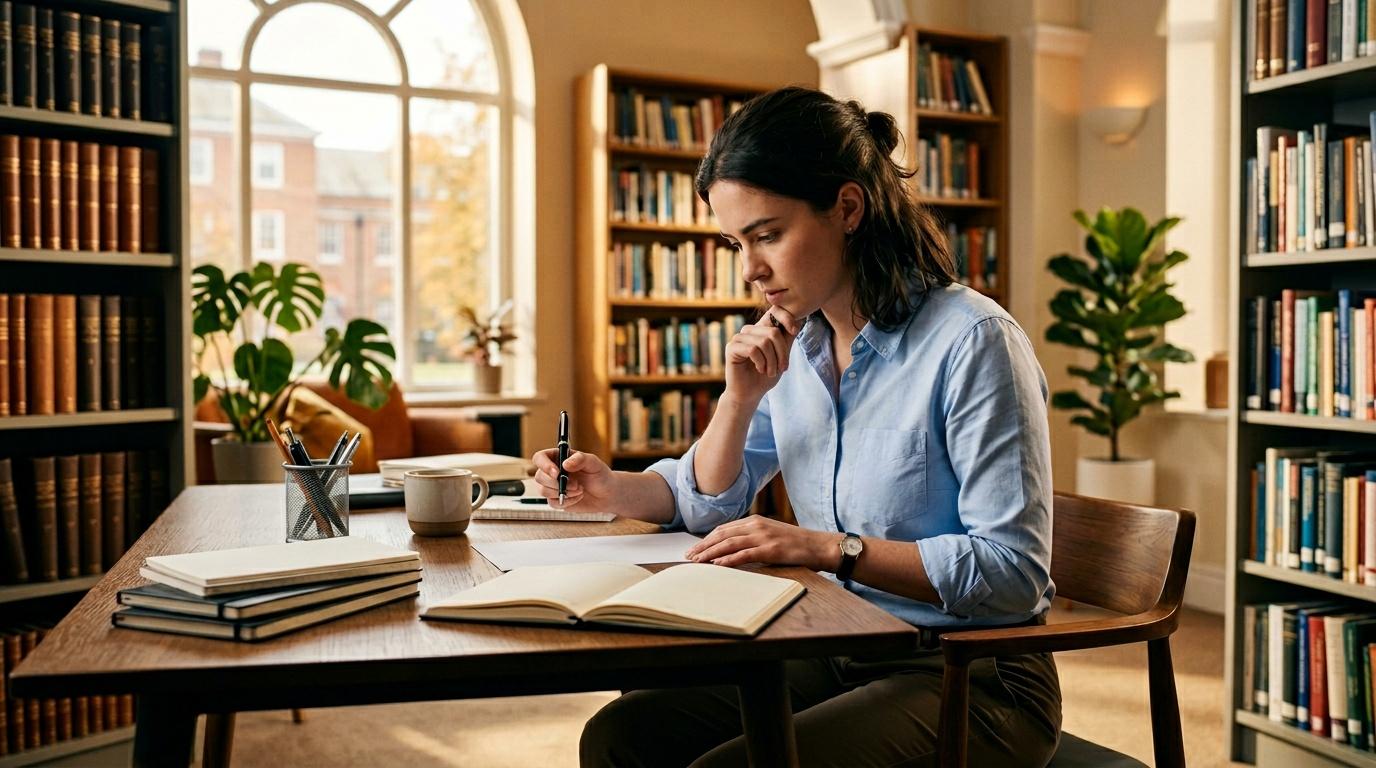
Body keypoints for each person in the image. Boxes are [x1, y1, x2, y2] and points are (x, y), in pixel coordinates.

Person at [532, 86, 1061, 767]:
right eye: (735, 243)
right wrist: (625, 477)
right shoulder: (799, 346)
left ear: (847, 208)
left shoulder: (974, 341)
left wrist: (828, 548)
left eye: (768, 235)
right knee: (620, 736)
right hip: (840, 645)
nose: (750, 269)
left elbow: (1014, 571)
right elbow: (705, 501)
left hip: (975, 675)